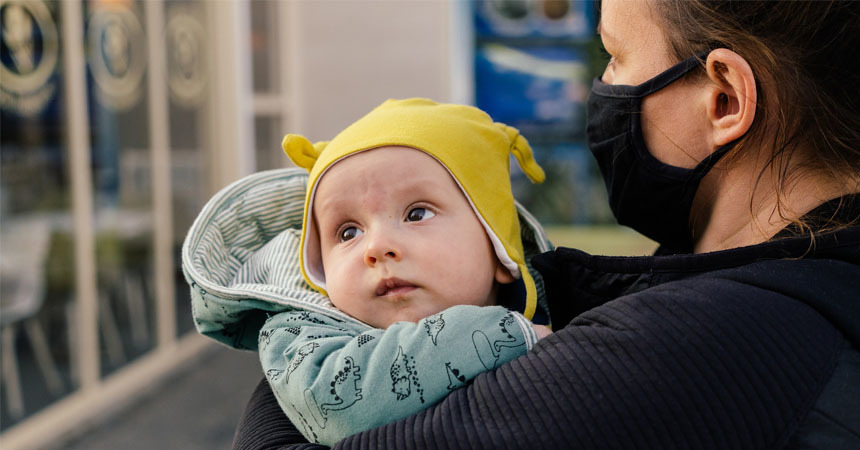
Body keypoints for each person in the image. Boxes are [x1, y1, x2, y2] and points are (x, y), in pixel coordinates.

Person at [228, 0, 860, 448]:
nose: (602, 83)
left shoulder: (704, 343)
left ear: (722, 99)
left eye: (615, 55)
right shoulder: (778, 275)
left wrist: (306, 330)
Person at [182, 99, 552, 446]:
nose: (376, 248)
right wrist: (504, 334)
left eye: (417, 213)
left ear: (499, 250)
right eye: (348, 232)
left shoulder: (568, 306)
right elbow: (336, 402)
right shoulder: (300, 336)